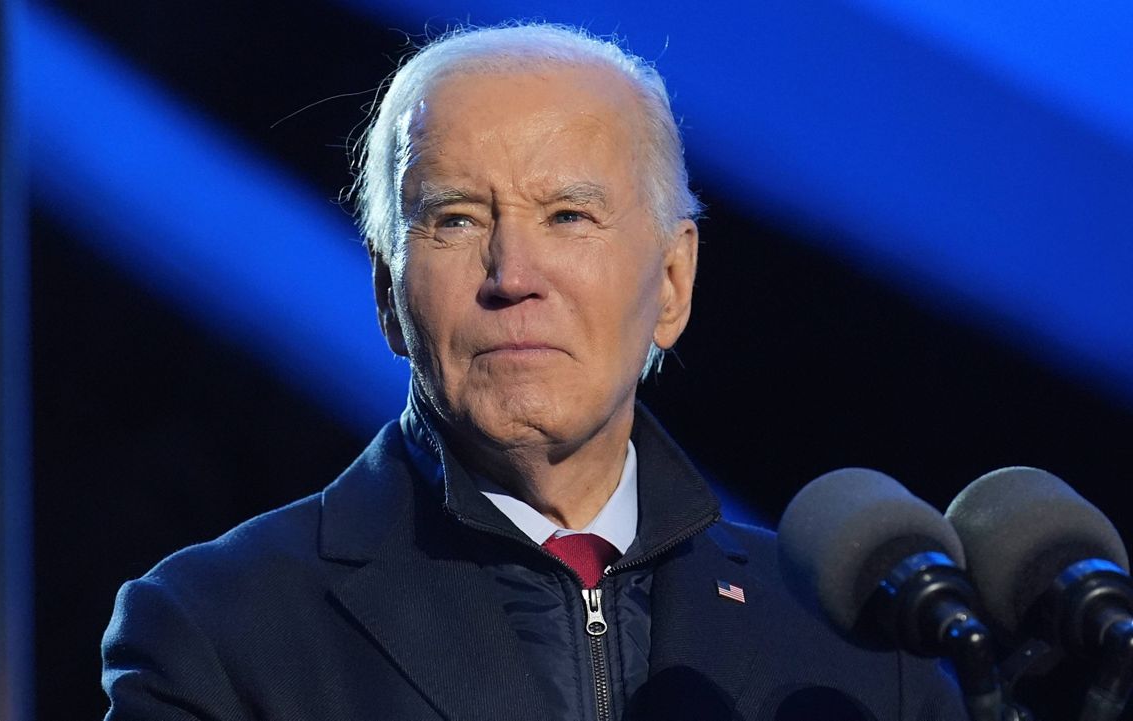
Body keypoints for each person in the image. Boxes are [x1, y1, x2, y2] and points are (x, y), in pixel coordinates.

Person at [101, 23, 967, 720]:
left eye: (567, 214)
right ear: (386, 293)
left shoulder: (859, 649)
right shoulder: (220, 634)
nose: (513, 274)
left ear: (672, 281)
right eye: (454, 219)